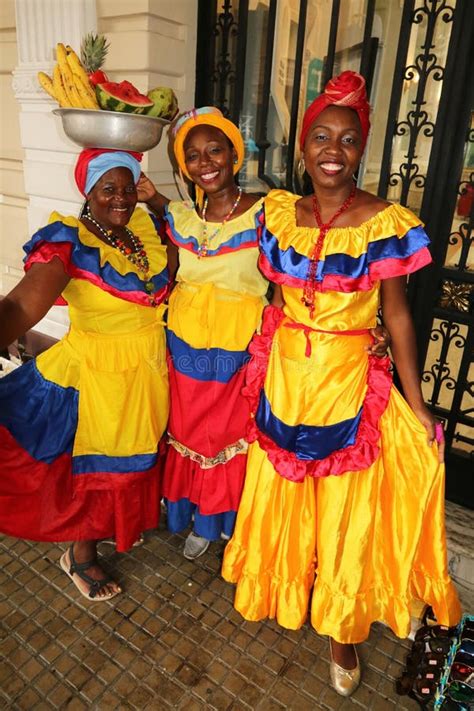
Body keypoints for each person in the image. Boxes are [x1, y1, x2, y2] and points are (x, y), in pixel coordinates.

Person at [221, 71, 461, 696]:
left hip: (348, 384)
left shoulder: (384, 222)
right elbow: (278, 297)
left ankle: (343, 629)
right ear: (302, 148)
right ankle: (293, 589)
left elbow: (399, 315)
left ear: (362, 150)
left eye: (347, 140)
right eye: (320, 136)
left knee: (345, 512)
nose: (333, 149)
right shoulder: (278, 214)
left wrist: (418, 402)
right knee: (289, 499)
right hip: (286, 380)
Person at [139, 106, 393, 560]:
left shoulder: (269, 211)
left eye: (215, 150)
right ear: (184, 167)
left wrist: (368, 319)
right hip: (185, 345)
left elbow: (315, 262)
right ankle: (195, 514)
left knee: (232, 434)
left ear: (235, 155)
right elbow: (173, 259)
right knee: (189, 430)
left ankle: (226, 520)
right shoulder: (182, 217)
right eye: (193, 156)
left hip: (243, 346)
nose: (206, 163)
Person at [0, 148, 170, 600]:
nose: (120, 198)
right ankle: (79, 555)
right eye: (107, 189)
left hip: (147, 374)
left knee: (131, 465)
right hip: (96, 378)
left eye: (128, 187)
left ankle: (97, 539)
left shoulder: (142, 230)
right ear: (88, 192)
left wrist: (157, 204)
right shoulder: (69, 240)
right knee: (94, 473)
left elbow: (187, 248)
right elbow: (19, 305)